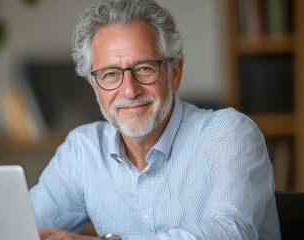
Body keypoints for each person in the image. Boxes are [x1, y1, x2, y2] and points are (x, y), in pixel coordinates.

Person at [29, 0, 281, 239]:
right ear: (94, 86)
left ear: (175, 73)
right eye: (110, 74)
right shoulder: (82, 152)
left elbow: (231, 233)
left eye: (145, 68)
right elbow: (17, 227)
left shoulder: (229, 135)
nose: (129, 90)